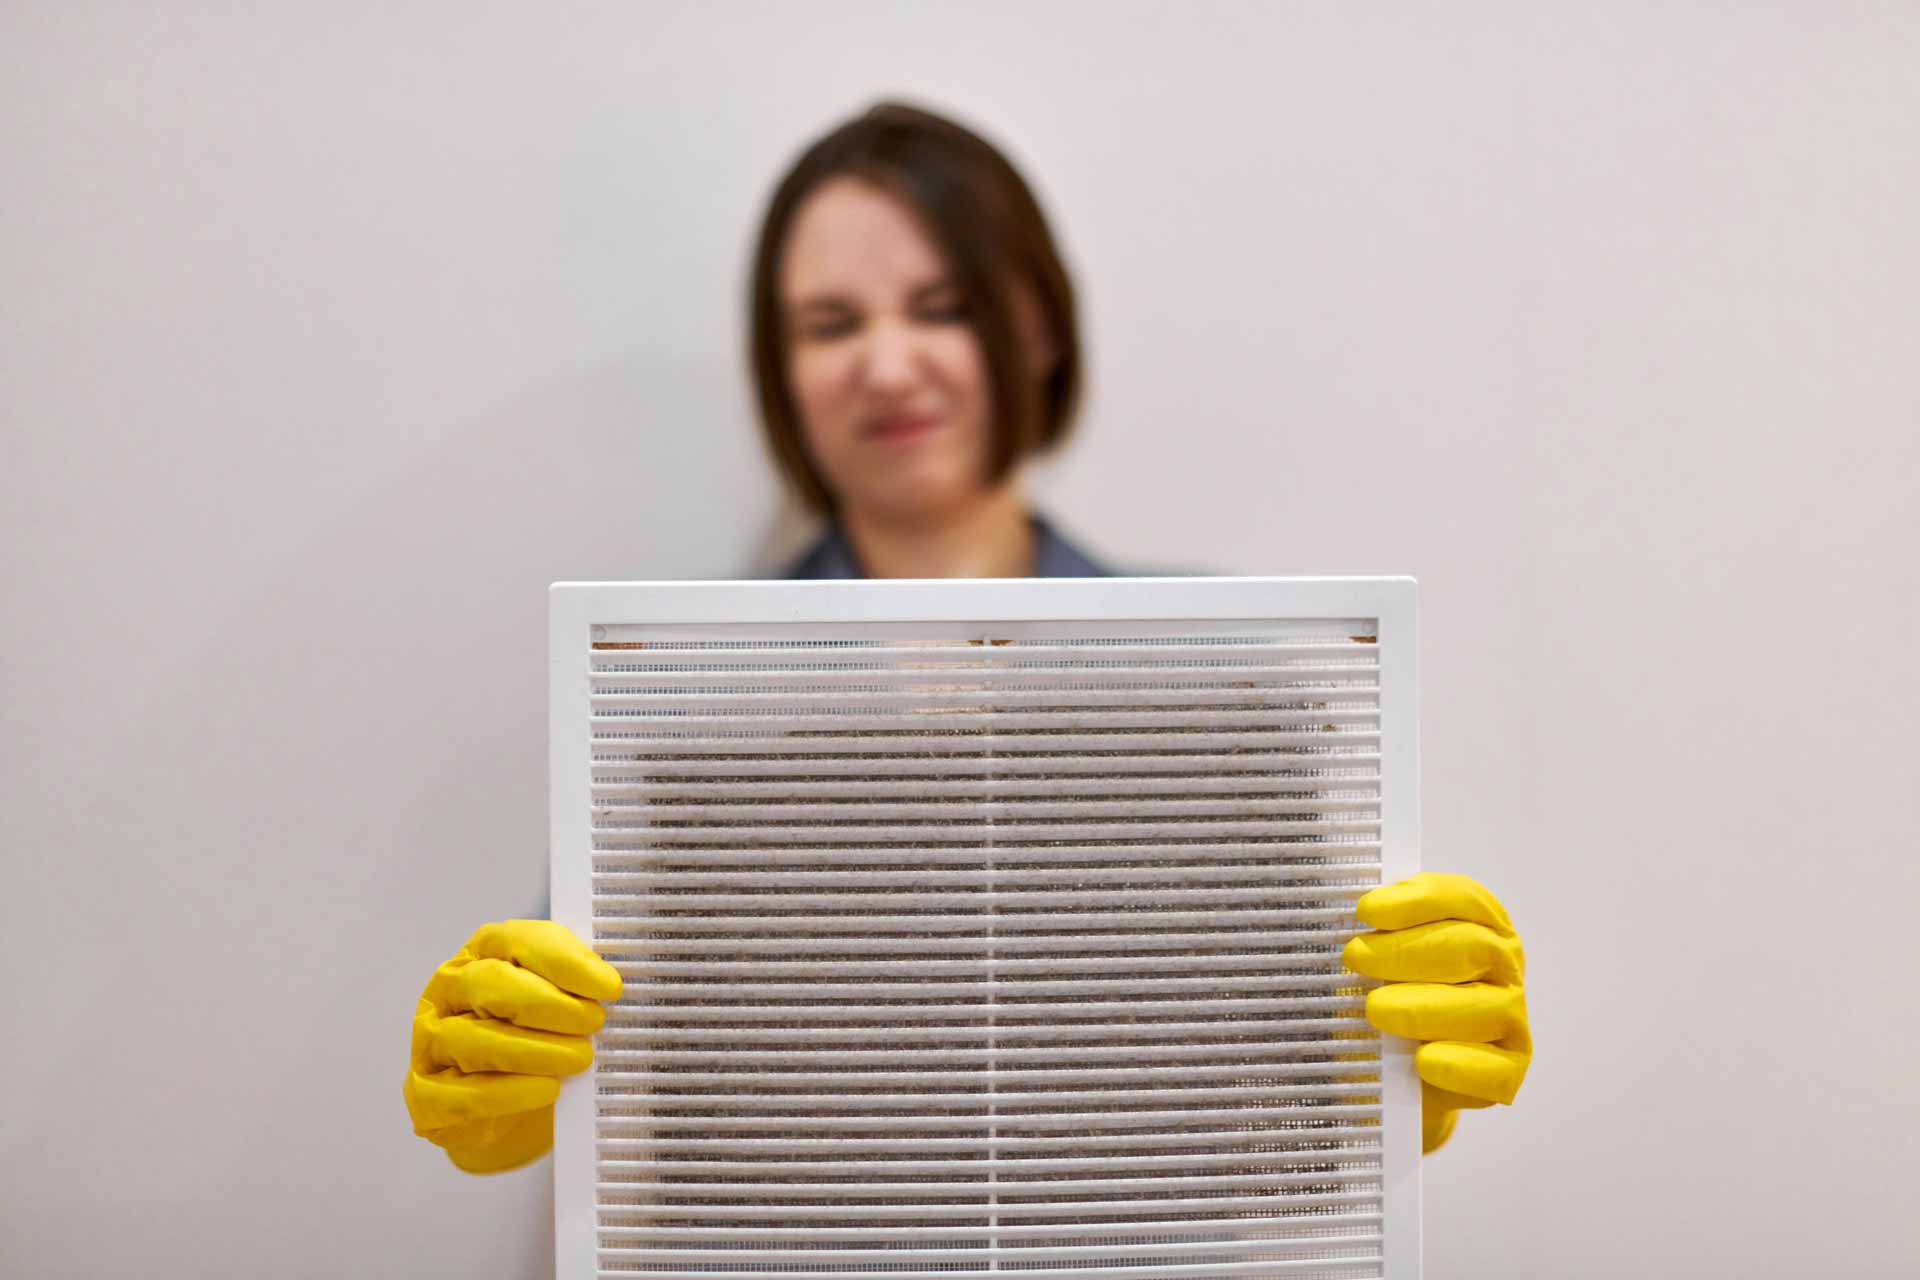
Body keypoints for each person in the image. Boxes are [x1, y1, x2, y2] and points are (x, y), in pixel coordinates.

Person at [402, 101, 1532, 1175]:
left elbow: (1270, 1107)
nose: (888, 365)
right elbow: (590, 1049)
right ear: (782, 375)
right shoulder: (677, 708)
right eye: (830, 324)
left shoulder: (1226, 684)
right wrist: (502, 1064)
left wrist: (1381, 1083)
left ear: (1033, 325)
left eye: (941, 307)